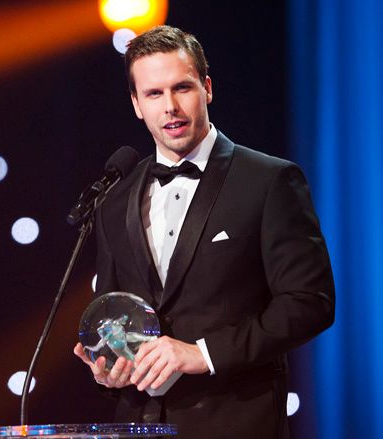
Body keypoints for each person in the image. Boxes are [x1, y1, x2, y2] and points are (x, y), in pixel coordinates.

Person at [72, 25, 334, 438]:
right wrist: (110, 370)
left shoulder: (268, 181)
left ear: (207, 88)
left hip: (237, 423)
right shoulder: (114, 199)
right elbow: (115, 311)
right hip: (139, 425)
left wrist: (202, 354)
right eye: (154, 94)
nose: (170, 107)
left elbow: (309, 303)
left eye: (182, 88)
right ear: (136, 104)